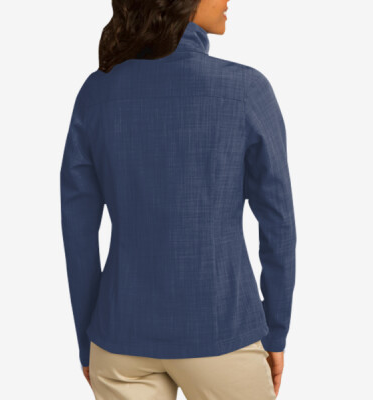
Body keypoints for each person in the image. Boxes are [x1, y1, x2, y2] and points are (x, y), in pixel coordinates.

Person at [60, 0, 297, 399]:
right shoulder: (245, 89)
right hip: (222, 333)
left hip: (119, 340)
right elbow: (279, 225)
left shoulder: (97, 92)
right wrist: (275, 329)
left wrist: (88, 341)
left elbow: (78, 234)